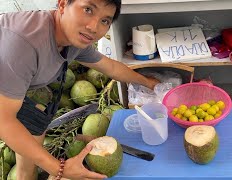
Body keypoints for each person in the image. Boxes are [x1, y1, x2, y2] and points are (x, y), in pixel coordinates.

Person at [0, 0, 159, 179]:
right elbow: (4, 121)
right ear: (62, 4)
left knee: (28, 163)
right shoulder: (23, 44)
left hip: (16, 92)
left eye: (105, 21)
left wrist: (148, 83)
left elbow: (111, 67)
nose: (93, 27)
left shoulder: (73, 40)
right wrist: (58, 168)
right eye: (88, 10)